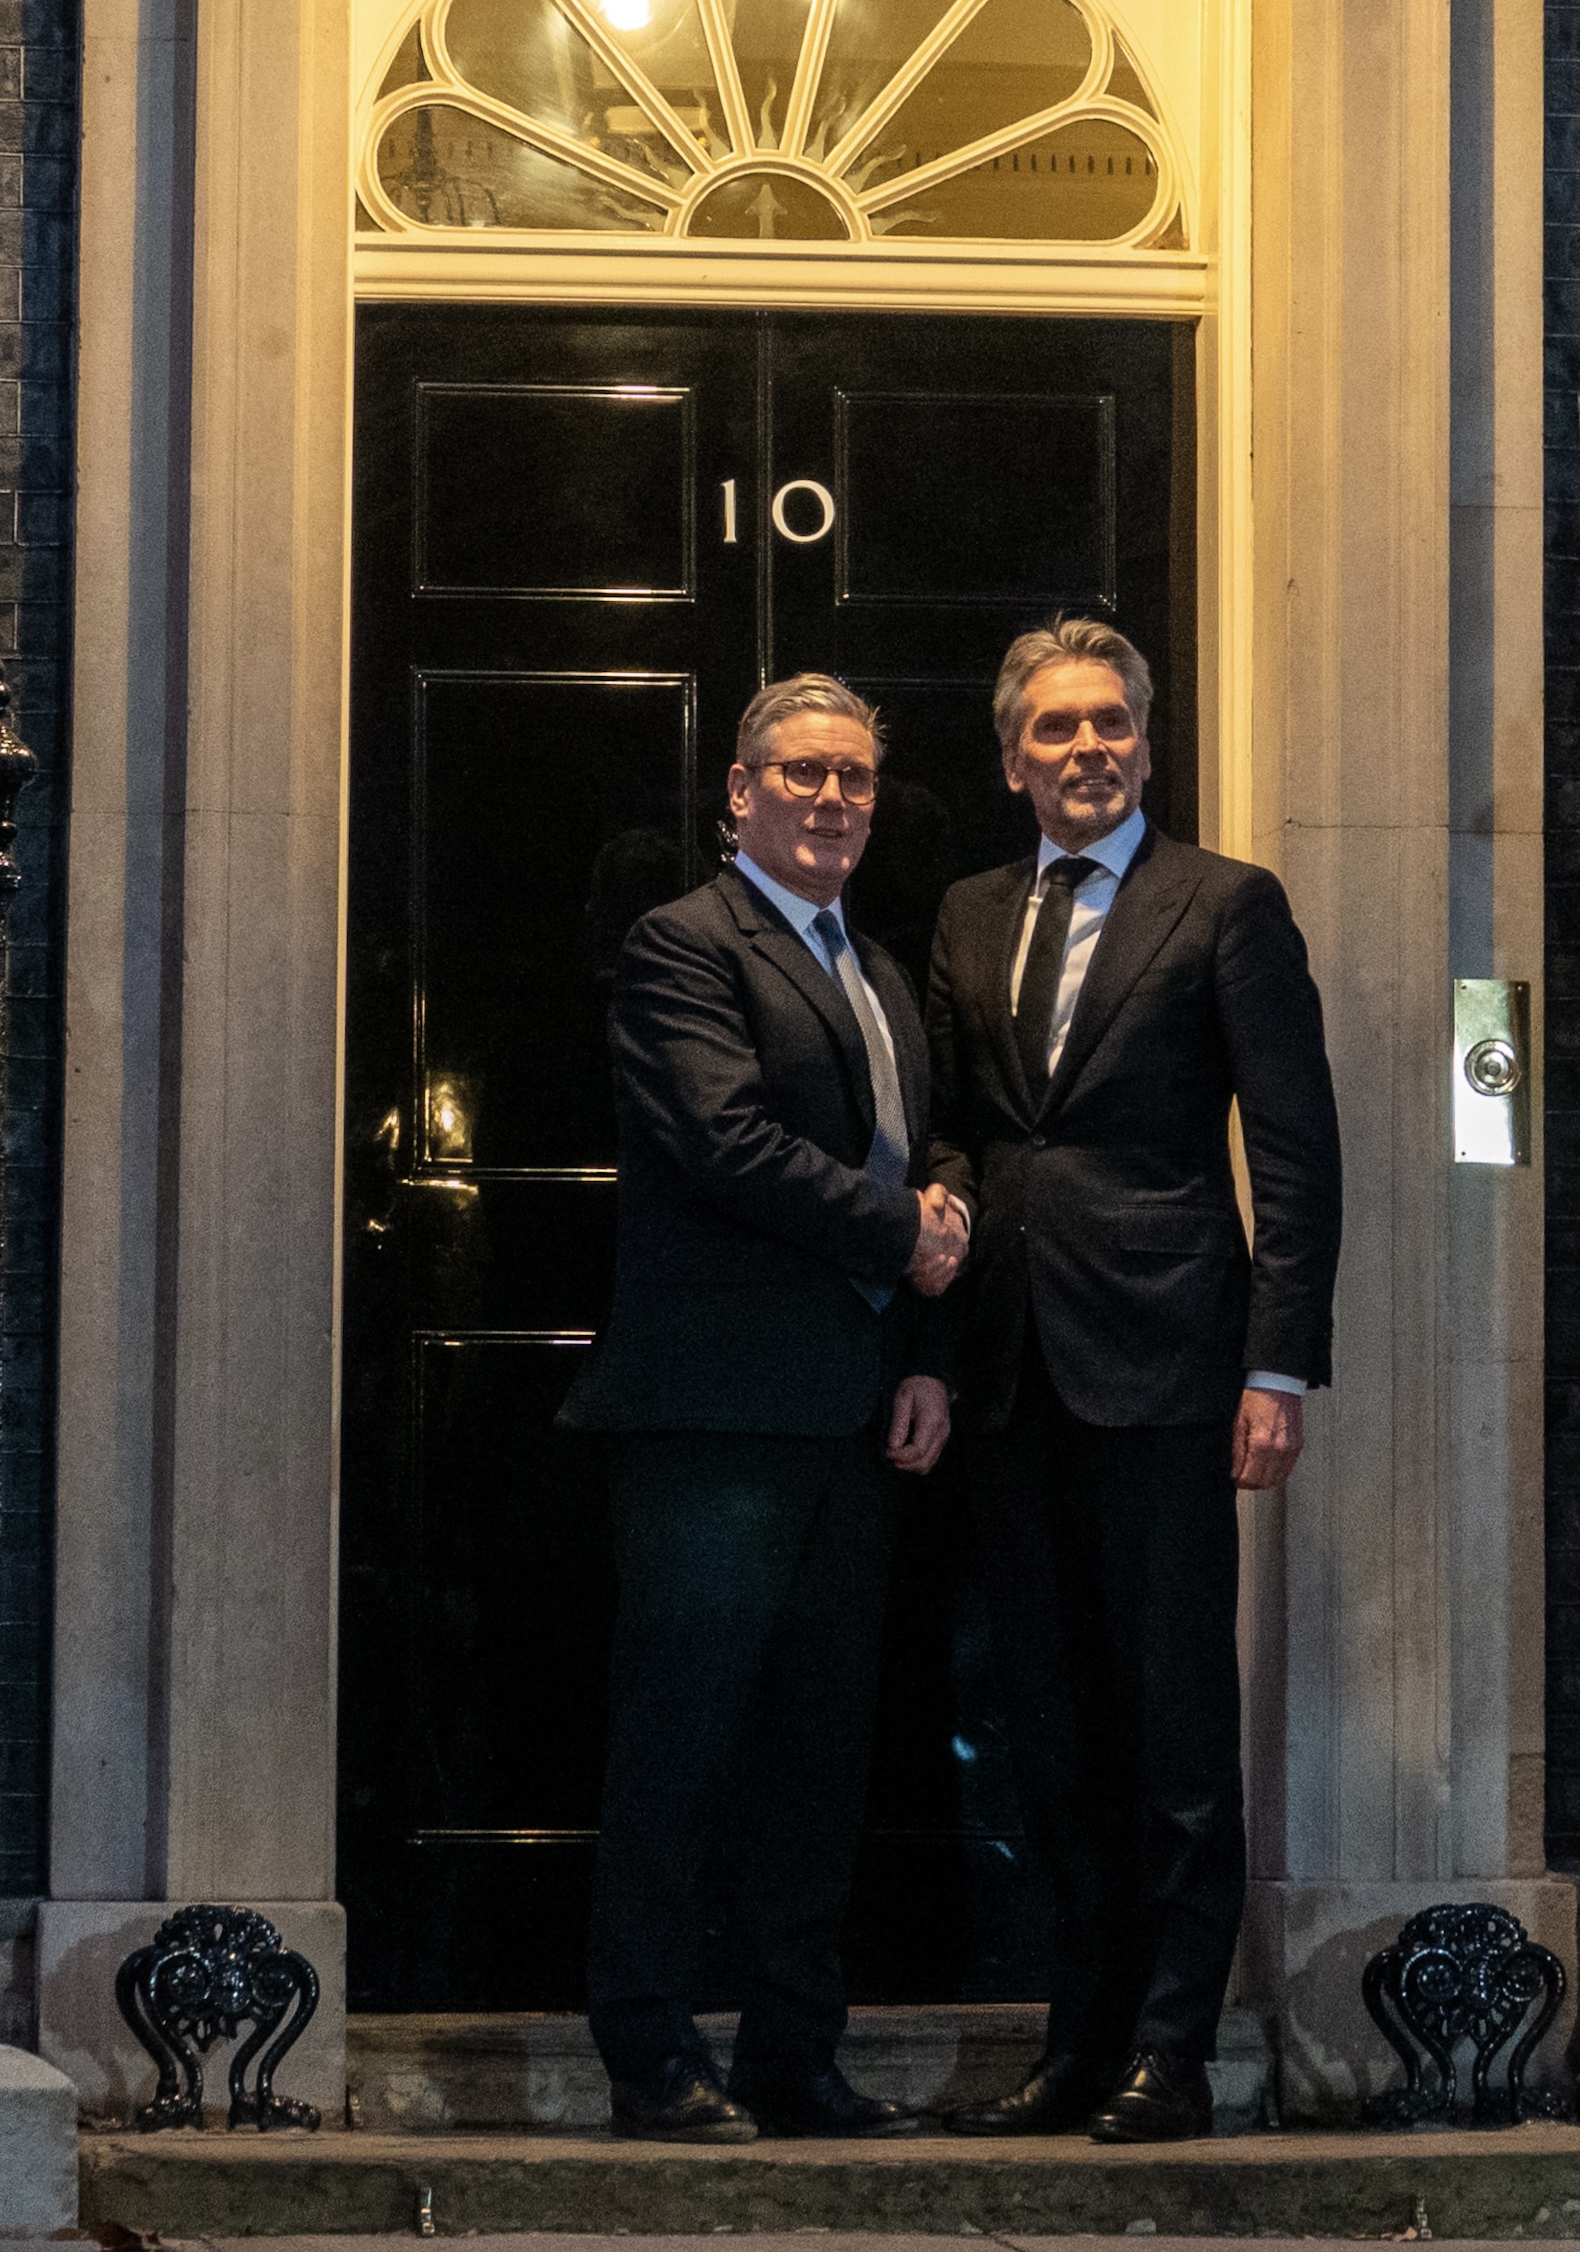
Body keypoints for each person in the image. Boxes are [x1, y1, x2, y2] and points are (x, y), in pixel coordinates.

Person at [918, 619, 1341, 2145]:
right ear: (1012, 755)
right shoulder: (968, 912)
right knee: (1049, 1726)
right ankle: (1076, 2038)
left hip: (1172, 1366)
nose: (1084, 749)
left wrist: (1278, 1362)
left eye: (1109, 725)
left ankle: (1176, 2043)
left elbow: (1294, 1147)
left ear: (1148, 744)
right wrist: (948, 1208)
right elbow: (959, 1123)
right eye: (1052, 730)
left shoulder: (1224, 904)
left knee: (1171, 1727)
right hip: (1012, 1369)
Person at [563, 673, 976, 2144]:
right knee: (684, 1742)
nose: (831, 798)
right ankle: (652, 2054)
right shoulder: (686, 944)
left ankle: (799, 2053)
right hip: (713, 1422)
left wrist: (930, 1332)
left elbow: (929, 1150)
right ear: (739, 793)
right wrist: (900, 1231)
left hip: (855, 1419)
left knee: (821, 1752)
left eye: (856, 778)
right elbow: (725, 1141)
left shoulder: (874, 965)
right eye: (801, 772)